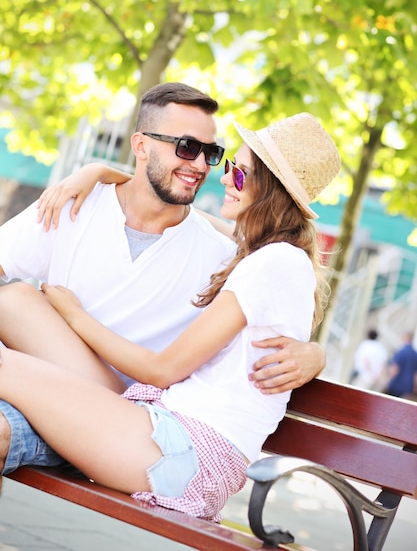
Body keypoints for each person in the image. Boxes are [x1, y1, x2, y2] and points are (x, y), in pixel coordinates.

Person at [0, 111, 341, 520]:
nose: (223, 178)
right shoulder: (266, 254)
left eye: (241, 174)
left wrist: (73, 314)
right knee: (16, 300)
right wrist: (94, 172)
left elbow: (162, 371)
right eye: (230, 167)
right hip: (171, 434)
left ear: (271, 190)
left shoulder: (274, 262)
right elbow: (172, 204)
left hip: (188, 449)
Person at [385, 331, 417, 398]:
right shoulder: (415, 354)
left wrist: (388, 381)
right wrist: (414, 387)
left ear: (406, 338)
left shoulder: (401, 352)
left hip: (396, 384)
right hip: (407, 386)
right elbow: (415, 374)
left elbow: (395, 368)